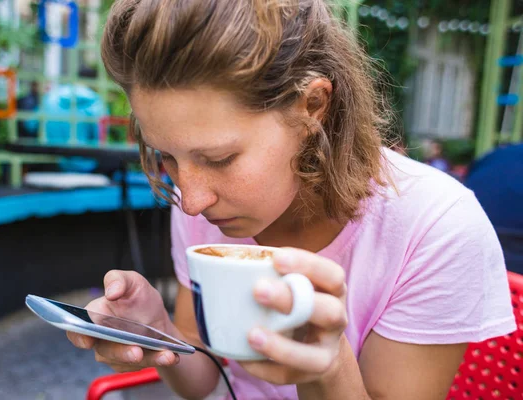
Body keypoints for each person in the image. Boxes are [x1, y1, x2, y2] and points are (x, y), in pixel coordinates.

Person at [67, 1, 516, 399]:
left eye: (220, 158)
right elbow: (204, 381)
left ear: (312, 106)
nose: (192, 201)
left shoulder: (436, 226)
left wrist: (328, 365)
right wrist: (158, 332)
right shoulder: (205, 194)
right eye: (166, 155)